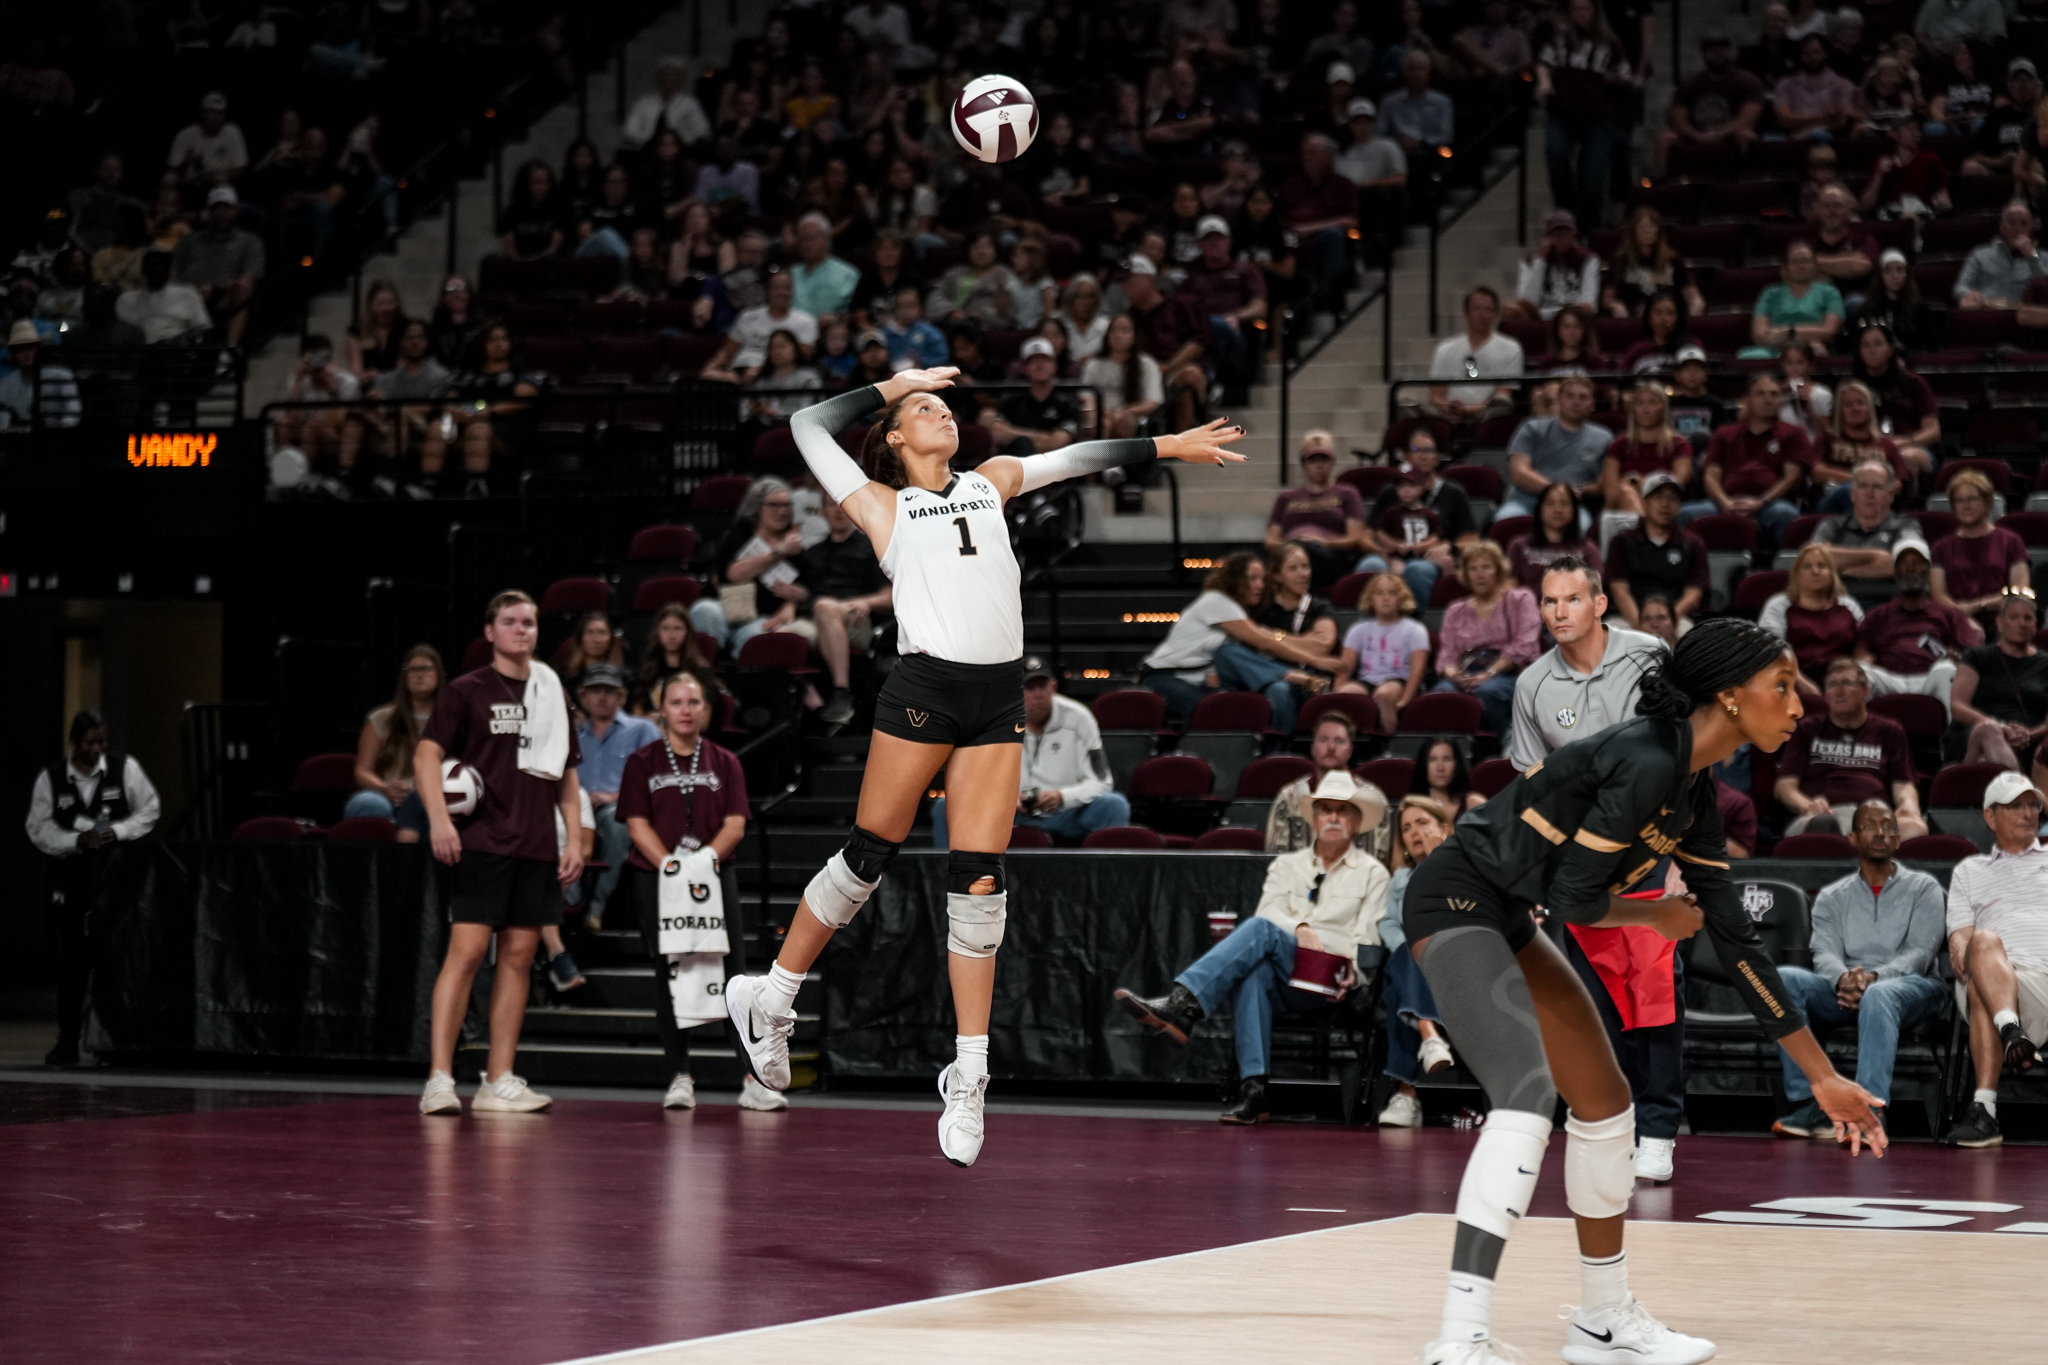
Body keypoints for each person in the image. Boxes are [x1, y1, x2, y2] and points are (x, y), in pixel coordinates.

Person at [721, 367, 1244, 1165]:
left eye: (945, 405)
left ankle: (969, 1075)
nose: (943, 413)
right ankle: (774, 995)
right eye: (925, 409)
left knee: (979, 882)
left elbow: (1077, 456)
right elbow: (805, 425)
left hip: (998, 695)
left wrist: (1167, 444)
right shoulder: (880, 503)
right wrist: (894, 382)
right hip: (926, 687)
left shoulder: (990, 479)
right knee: (868, 855)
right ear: (896, 436)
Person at [1405, 619, 1884, 1365]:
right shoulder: (1646, 756)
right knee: (1528, 1094)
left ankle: (1602, 1320)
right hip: (1456, 898)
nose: (1799, 706)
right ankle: (1457, 1337)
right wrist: (1656, 915)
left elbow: (1737, 942)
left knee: (1606, 1106)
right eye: (1784, 686)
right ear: (1731, 695)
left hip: (1509, 911)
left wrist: (1822, 1077)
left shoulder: (1693, 790)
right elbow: (1573, 898)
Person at [1115, 772, 1390, 1125]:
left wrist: (1355, 973)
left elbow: (1368, 940)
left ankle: (1184, 1005)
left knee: (1259, 933)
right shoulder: (1287, 865)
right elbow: (1270, 912)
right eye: (1326, 809)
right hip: (1286, 974)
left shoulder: (1373, 873)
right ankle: (1254, 1091)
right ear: (1313, 818)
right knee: (1253, 973)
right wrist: (1301, 929)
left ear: (1356, 821)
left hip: (1332, 978)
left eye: (1343, 810)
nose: (1333, 817)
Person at [415, 591, 584, 1117]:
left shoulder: (552, 690)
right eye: (510, 621)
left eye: (529, 622)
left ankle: (498, 1079)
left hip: (537, 842)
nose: (521, 629)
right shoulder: (465, 691)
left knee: (518, 958)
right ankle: (439, 1078)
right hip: (482, 842)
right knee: (466, 954)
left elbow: (567, 774)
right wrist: (439, 819)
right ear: (489, 632)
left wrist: (575, 839)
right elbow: (425, 756)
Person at [619, 673, 772, 1112]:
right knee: (669, 973)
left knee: (732, 978)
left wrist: (703, 861)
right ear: (662, 710)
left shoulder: (725, 761)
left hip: (714, 876)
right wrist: (671, 866)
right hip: (657, 878)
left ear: (705, 709)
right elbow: (636, 824)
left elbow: (735, 824)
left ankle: (753, 1079)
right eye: (676, 702)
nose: (685, 710)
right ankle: (680, 1077)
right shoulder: (642, 762)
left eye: (693, 702)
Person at [1770, 801, 1948, 1139]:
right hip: (1848, 993)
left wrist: (1873, 978)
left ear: (1898, 839)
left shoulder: (1924, 888)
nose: (1880, 832)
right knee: (1784, 980)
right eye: (1869, 826)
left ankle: (1871, 1111)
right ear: (1852, 838)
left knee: (1879, 994)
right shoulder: (1831, 896)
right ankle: (1813, 1104)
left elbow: (1921, 953)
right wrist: (1843, 979)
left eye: (1888, 827)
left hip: (1915, 989)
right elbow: (1824, 953)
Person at [25, 710, 161, 1066]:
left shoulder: (124, 769)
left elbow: (149, 809)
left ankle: (115, 1042)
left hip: (116, 882)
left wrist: (118, 831)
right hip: (72, 880)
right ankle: (68, 1039)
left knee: (116, 961)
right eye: (89, 742)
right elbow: (38, 827)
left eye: (102, 741)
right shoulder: (51, 779)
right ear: (74, 741)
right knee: (72, 965)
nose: (96, 748)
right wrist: (74, 841)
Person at [1941, 771, 2048, 1149]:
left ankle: (1984, 1111)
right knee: (1982, 943)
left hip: (2042, 980)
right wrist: (1960, 949)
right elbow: (1960, 935)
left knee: (1981, 985)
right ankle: (2011, 1031)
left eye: (2033, 805)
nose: (2028, 813)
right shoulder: (1970, 871)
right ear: (1990, 816)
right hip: (1989, 973)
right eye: (2015, 806)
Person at [934, 658, 1131, 849]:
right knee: (945, 806)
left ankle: (1103, 872)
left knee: (1114, 804)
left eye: (1043, 686)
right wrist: (1005, 798)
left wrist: (1063, 797)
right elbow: (973, 781)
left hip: (1065, 813)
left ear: (1053, 687)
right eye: (1029, 688)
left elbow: (1102, 782)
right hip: (1007, 814)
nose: (1038, 695)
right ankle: (947, 871)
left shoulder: (1080, 718)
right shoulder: (993, 721)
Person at [1145, 550, 1334, 732]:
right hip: (1165, 676)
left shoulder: (1244, 612)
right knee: (1206, 708)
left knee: (1235, 698)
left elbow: (1264, 641)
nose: (1260, 585)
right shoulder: (1217, 601)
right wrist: (1314, 659)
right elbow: (1265, 641)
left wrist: (1213, 671)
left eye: (1262, 579)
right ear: (1235, 581)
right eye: (1252, 579)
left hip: (1198, 677)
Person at [1375, 795, 1459, 1126]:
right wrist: (1411, 947)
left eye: (1422, 823)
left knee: (1399, 985)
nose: (1414, 832)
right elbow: (1388, 924)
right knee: (1402, 968)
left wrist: (1439, 858)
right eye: (1407, 828)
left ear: (1444, 828)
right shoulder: (1399, 879)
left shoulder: (1464, 868)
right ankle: (1429, 1034)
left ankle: (1405, 1093)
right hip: (1412, 963)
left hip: (1455, 962)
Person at [1774, 658, 1928, 838]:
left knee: (1915, 828)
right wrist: (1807, 805)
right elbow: (1784, 786)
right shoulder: (1807, 730)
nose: (1839, 692)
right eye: (1832, 685)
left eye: (1847, 683)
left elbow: (1903, 784)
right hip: (1821, 816)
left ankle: (1864, 846)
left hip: (1873, 817)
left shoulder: (1889, 731)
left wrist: (1909, 805)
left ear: (1865, 691)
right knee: (1824, 825)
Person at [569, 662, 660, 940]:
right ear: (583, 697)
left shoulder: (642, 729)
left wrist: (614, 796)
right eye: (595, 691)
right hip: (578, 807)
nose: (602, 697)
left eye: (609, 691)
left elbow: (657, 779)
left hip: (622, 806)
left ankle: (595, 905)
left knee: (615, 819)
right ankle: (571, 902)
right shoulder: (573, 734)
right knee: (556, 819)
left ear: (621, 696)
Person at [1536, 0, 1636, 229]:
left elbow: (1625, 74)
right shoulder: (1559, 39)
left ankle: (1589, 226)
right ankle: (1565, 211)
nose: (1581, 14)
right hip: (1563, 110)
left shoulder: (1610, 42)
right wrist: (1544, 82)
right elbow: (1543, 63)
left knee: (1592, 176)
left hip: (1597, 113)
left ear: (1594, 12)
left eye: (1586, 9)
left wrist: (1617, 78)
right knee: (1555, 153)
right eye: (1576, 9)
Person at [800, 494, 894, 726]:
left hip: (857, 620)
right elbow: (804, 594)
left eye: (843, 505)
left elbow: (890, 596)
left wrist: (866, 603)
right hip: (816, 620)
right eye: (832, 505)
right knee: (777, 636)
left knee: (825, 606)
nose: (838, 510)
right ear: (822, 512)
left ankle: (842, 691)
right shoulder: (813, 553)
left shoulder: (871, 547)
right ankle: (809, 700)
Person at [1683, 375, 1808, 548]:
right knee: (1685, 514)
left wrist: (1762, 502)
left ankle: (1782, 565)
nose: (1768, 399)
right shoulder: (1724, 433)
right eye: (1761, 394)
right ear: (1747, 400)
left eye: (1774, 394)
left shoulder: (1793, 433)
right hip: (1725, 502)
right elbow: (1710, 476)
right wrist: (1725, 502)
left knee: (1785, 513)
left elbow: (1791, 476)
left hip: (1770, 504)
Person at [1433, 539, 1541, 735]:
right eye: (1473, 569)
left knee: (1488, 691)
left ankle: (1505, 744)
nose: (1480, 574)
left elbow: (1523, 645)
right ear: (1466, 574)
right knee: (1442, 692)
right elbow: (1447, 654)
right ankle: (1455, 747)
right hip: (1467, 672)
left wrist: (1488, 674)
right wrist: (1455, 675)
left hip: (1508, 672)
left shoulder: (1520, 599)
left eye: (1486, 567)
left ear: (1498, 570)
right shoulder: (1455, 610)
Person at [1857, 537, 1982, 706]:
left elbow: (1975, 656)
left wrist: (1957, 659)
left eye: (1917, 563)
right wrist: (1865, 661)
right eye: (1904, 564)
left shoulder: (1949, 614)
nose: (1911, 569)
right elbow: (1862, 652)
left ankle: (1953, 724)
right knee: (1860, 673)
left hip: (1932, 677)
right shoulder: (1877, 616)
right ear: (1895, 571)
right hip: (1890, 679)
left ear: (1928, 569)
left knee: (1947, 670)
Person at [1949, 588, 2048, 780]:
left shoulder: (2046, 664)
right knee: (1988, 730)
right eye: (2014, 617)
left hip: (2029, 743)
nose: (2022, 623)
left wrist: (2029, 735)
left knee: (1985, 759)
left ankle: (2011, 790)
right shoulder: (1977, 656)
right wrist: (2002, 728)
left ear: (2035, 625)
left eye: (2028, 618)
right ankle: (2020, 790)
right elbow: (1958, 706)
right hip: (1974, 735)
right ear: (2000, 623)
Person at [347, 646, 441, 834]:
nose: (419, 675)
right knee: (367, 803)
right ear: (404, 678)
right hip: (388, 797)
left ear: (438, 675)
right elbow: (362, 771)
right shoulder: (381, 718)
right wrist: (384, 787)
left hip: (433, 796)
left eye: (426, 669)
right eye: (413, 670)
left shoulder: (452, 719)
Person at [1499, 375, 1611, 525]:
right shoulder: (1531, 428)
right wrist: (1558, 491)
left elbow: (1603, 484)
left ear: (1592, 404)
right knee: (1504, 522)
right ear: (1559, 399)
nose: (1576, 402)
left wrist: (1576, 490)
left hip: (1573, 505)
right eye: (1570, 396)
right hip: (1526, 500)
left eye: (1583, 397)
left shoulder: (1603, 438)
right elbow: (1519, 472)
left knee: (1582, 526)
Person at [1264, 431, 1369, 589]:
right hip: (1290, 555)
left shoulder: (1346, 493)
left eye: (1324, 459)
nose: (1319, 465)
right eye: (1312, 460)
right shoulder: (1286, 497)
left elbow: (1355, 537)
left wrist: (1322, 542)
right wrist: (1293, 546)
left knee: (1305, 552)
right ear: (1304, 464)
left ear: (1332, 462)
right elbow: (1271, 540)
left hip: (1330, 556)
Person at [1265, 711, 1380, 853]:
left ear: (1350, 751)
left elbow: (1378, 856)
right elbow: (1275, 855)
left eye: (1339, 741)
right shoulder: (1289, 797)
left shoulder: (1372, 799)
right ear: (1313, 748)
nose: (1331, 747)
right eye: (1323, 740)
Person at [1762, 542, 1868, 695]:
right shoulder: (1779, 605)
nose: (1815, 571)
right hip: (1795, 681)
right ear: (1796, 574)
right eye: (1807, 567)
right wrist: (1804, 685)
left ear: (1832, 573)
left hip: (1844, 678)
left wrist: (1853, 677)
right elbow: (1772, 652)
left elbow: (1864, 645)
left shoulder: (1847, 604)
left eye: (1822, 566)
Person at [1605, 474, 1707, 631]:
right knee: (1609, 633)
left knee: (1687, 634)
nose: (1666, 504)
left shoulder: (1693, 544)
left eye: (1672, 498)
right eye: (1658, 497)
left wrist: (1666, 620)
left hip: (1675, 618)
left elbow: (1693, 593)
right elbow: (1619, 590)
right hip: (1629, 617)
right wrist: (1641, 625)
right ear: (1644, 502)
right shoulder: (1622, 542)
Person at [1335, 572, 1432, 733]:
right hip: (1368, 679)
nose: (1385, 598)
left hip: (1399, 680)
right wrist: (1338, 690)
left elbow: (1418, 671)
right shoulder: (1358, 629)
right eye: (1379, 593)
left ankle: (1388, 738)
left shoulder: (1415, 629)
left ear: (1401, 598)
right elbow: (1344, 668)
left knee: (1384, 694)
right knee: (1348, 693)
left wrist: (1405, 700)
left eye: (1392, 593)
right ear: (1371, 598)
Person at [1933, 470, 2029, 625]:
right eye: (1959, 501)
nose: (1966, 506)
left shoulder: (2011, 541)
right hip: (1954, 620)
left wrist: (1977, 606)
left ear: (1986, 502)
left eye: (1972, 499)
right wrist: (1963, 620)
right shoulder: (1941, 546)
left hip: (2001, 620)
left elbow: (2019, 591)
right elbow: (1938, 595)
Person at [1420, 286, 1524, 425]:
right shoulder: (1445, 349)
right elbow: (1435, 394)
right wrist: (1448, 407)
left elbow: (1504, 393)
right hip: (1449, 415)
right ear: (1466, 312)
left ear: (1495, 314)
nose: (1482, 314)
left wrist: (1471, 410)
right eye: (1477, 309)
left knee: (1502, 404)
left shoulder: (1511, 347)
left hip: (1488, 415)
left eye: (1488, 310)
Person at [1659, 32, 1765, 167]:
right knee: (1665, 138)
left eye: (1721, 48)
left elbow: (1747, 119)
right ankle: (1662, 179)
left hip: (1731, 136)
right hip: (1697, 135)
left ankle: (1748, 176)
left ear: (1729, 51)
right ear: (1703, 53)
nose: (1716, 53)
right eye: (1711, 49)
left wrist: (1720, 134)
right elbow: (1678, 119)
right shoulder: (1690, 84)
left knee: (1747, 136)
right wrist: (1697, 136)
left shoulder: (1748, 81)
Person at [1848, 325, 1938, 476]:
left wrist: (1906, 441)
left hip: (1909, 446)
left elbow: (1933, 431)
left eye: (1878, 344)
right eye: (1866, 345)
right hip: (1865, 448)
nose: (1872, 350)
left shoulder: (1914, 383)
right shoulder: (1851, 387)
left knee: (1907, 457)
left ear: (1890, 350)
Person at [1812, 459, 1918, 580]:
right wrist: (1876, 556)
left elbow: (1907, 563)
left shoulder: (1907, 525)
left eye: (1877, 487)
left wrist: (1840, 570)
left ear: (1891, 495)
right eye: (1862, 486)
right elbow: (1815, 558)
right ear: (1852, 494)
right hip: (1839, 592)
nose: (1869, 494)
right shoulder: (1832, 525)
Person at [1812, 383, 1905, 514]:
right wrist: (1862, 481)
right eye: (1848, 405)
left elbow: (1898, 482)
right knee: (1848, 491)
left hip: (1878, 501)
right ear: (1840, 410)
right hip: (1833, 502)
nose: (1855, 409)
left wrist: (1873, 488)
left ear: (1869, 408)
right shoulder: (1826, 438)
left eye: (1860, 403)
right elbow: (1818, 471)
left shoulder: (1886, 444)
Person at [1603, 384, 1694, 516]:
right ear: (1633, 409)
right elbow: (1611, 493)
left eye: (1652, 403)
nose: (1646, 409)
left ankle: (1644, 525)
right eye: (1640, 403)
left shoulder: (1679, 445)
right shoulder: (1619, 445)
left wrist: (1640, 482)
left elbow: (1676, 484)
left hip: (1665, 507)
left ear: (1663, 408)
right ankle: (1644, 526)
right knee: (1626, 493)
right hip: (1621, 509)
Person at [1743, 242, 1843, 360]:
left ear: (1815, 265)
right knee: (1751, 357)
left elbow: (1829, 331)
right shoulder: (1770, 293)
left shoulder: (1830, 292)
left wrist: (1790, 333)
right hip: (1775, 348)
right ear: (1786, 267)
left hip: (1810, 348)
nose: (1801, 266)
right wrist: (1808, 335)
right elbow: (1760, 334)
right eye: (1795, 262)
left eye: (1806, 261)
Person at [981, 338, 1078, 456]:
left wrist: (1013, 433)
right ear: (1025, 368)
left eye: (1045, 360)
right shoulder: (1012, 401)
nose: (1039, 365)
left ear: (1054, 366)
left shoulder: (1067, 402)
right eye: (1033, 361)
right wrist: (1043, 437)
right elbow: (998, 432)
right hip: (1018, 461)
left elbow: (1058, 442)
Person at [1602, 208, 1703, 320]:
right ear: (1634, 231)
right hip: (1632, 317)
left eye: (1651, 227)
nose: (1647, 231)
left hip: (1665, 318)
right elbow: (1607, 298)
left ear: (1658, 231)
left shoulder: (1673, 259)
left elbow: (1694, 297)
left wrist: (1693, 314)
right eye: (1642, 227)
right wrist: (1615, 305)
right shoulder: (1620, 260)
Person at [1507, 481, 1602, 593]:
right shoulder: (1519, 546)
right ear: (1540, 510)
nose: (1557, 510)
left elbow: (1594, 590)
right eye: (1550, 503)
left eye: (1564, 504)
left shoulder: (1587, 549)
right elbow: (1509, 586)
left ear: (1574, 511)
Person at [1081, 313, 1164, 439]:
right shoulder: (1093, 365)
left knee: (1125, 421)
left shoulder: (1147, 364)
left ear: (1135, 336)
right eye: (1114, 331)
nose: (1118, 335)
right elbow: (1086, 397)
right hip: (1101, 414)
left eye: (1125, 331)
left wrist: (1125, 412)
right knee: (1102, 423)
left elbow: (1153, 402)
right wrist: (1103, 412)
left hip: (1132, 416)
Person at [1510, 210, 1601, 322]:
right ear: (1546, 237)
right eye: (1555, 233)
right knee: (1510, 310)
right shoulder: (1530, 261)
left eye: (1565, 233)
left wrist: (1549, 314)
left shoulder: (1588, 259)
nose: (1561, 238)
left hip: (1575, 317)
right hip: (1540, 318)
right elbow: (1526, 301)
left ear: (1574, 234)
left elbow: (1589, 304)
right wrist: (1540, 260)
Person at [1955, 201, 2048, 308]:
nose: (2018, 229)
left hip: (2027, 313)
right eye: (2012, 223)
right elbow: (1961, 286)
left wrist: (2032, 256)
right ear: (2002, 228)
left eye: (2024, 223)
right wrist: (1969, 295)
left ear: (2031, 230)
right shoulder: (1980, 254)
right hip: (1988, 309)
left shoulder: (2044, 256)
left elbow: (2046, 287)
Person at [633, 602, 718, 716]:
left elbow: (704, 717)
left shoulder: (701, 672)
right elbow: (637, 712)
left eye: (678, 628)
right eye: (665, 628)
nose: (671, 635)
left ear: (687, 632)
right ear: (657, 632)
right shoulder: (647, 671)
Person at [1774, 34, 1860, 141]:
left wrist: (1810, 129)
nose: (1812, 57)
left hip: (1830, 140)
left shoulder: (1843, 84)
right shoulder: (1786, 84)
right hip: (1792, 140)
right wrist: (1823, 118)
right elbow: (1784, 118)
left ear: (1826, 53)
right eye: (1807, 53)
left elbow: (1841, 121)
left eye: (1817, 52)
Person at [0, 320, 81, 431]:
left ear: (38, 349)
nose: (26, 353)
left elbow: (72, 410)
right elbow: (3, 418)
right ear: (13, 353)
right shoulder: (6, 385)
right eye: (20, 349)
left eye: (30, 347)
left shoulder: (61, 376)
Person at [621, 55, 712, 151]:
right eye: (666, 74)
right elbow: (630, 130)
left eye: (674, 75)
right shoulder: (643, 103)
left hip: (681, 151)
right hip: (646, 150)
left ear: (681, 79)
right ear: (657, 77)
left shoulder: (690, 104)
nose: (669, 79)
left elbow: (702, 131)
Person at [1856, 250, 1933, 351]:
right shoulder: (1867, 309)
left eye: (1900, 270)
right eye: (1888, 271)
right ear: (1881, 275)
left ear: (1906, 274)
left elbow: (1927, 345)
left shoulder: (1920, 309)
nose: (1895, 276)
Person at [1413, 737, 1486, 816]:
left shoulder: (1474, 804)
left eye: (1447, 759)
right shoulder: (1413, 808)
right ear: (1423, 765)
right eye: (1432, 760)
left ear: (1456, 765)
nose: (1440, 768)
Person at [1532, 303, 1604, 374]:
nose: (1572, 332)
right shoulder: (1546, 363)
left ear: (1584, 330)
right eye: (1566, 326)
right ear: (1557, 330)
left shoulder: (1595, 362)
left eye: (1577, 326)